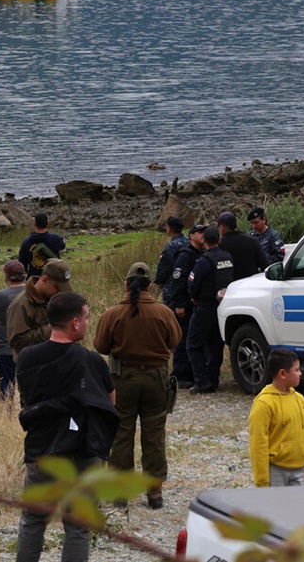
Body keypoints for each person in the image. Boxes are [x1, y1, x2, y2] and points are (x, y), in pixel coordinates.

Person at [15, 292, 118, 562]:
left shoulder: (26, 358)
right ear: (74, 322)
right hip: (82, 449)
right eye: (86, 318)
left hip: (42, 448)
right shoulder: (93, 361)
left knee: (33, 520)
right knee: (78, 526)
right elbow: (109, 403)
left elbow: (26, 399)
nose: (87, 323)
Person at [93, 262, 181, 509]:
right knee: (154, 434)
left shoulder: (113, 313)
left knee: (121, 433)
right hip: (155, 379)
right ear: (150, 286)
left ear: (126, 285)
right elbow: (174, 340)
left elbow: (100, 346)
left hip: (123, 379)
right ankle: (154, 493)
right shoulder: (164, 312)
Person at [248, 348, 304, 487]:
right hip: (276, 471)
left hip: (299, 469)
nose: (300, 373)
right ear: (282, 373)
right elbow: (258, 443)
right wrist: (262, 479)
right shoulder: (264, 403)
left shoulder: (300, 400)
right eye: (297, 370)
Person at [185, 226, 234, 393]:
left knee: (193, 344)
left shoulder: (205, 261)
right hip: (222, 307)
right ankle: (213, 379)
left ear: (204, 241)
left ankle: (201, 380)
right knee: (215, 345)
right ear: (219, 240)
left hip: (204, 306)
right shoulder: (228, 257)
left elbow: (193, 283)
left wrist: (193, 297)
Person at [6, 258, 74, 362]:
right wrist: (52, 330)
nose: (60, 292)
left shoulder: (56, 300)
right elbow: (17, 341)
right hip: (32, 368)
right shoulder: (21, 304)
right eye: (57, 287)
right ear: (45, 280)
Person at [165, 224, 206, 389]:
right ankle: (181, 375)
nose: (203, 235)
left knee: (195, 339)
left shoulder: (203, 253)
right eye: (199, 232)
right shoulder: (184, 255)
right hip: (185, 305)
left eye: (204, 232)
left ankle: (193, 372)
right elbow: (178, 281)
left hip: (198, 304)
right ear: (191, 236)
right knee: (182, 340)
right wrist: (180, 304)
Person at [0, 261, 28, 401]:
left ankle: (6, 415)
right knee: (28, 385)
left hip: (5, 347)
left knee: (6, 385)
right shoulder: (31, 293)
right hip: (28, 348)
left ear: (7, 277)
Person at [217, 211, 269, 281]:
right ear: (236, 225)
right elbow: (265, 266)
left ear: (222, 228)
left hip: (229, 287)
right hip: (251, 285)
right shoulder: (252, 241)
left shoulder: (219, 245)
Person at [18, 213, 67, 278]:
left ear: (35, 224)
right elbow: (63, 246)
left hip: (34, 280)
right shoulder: (55, 238)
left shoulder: (26, 242)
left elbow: (22, 264)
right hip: (52, 278)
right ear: (47, 223)